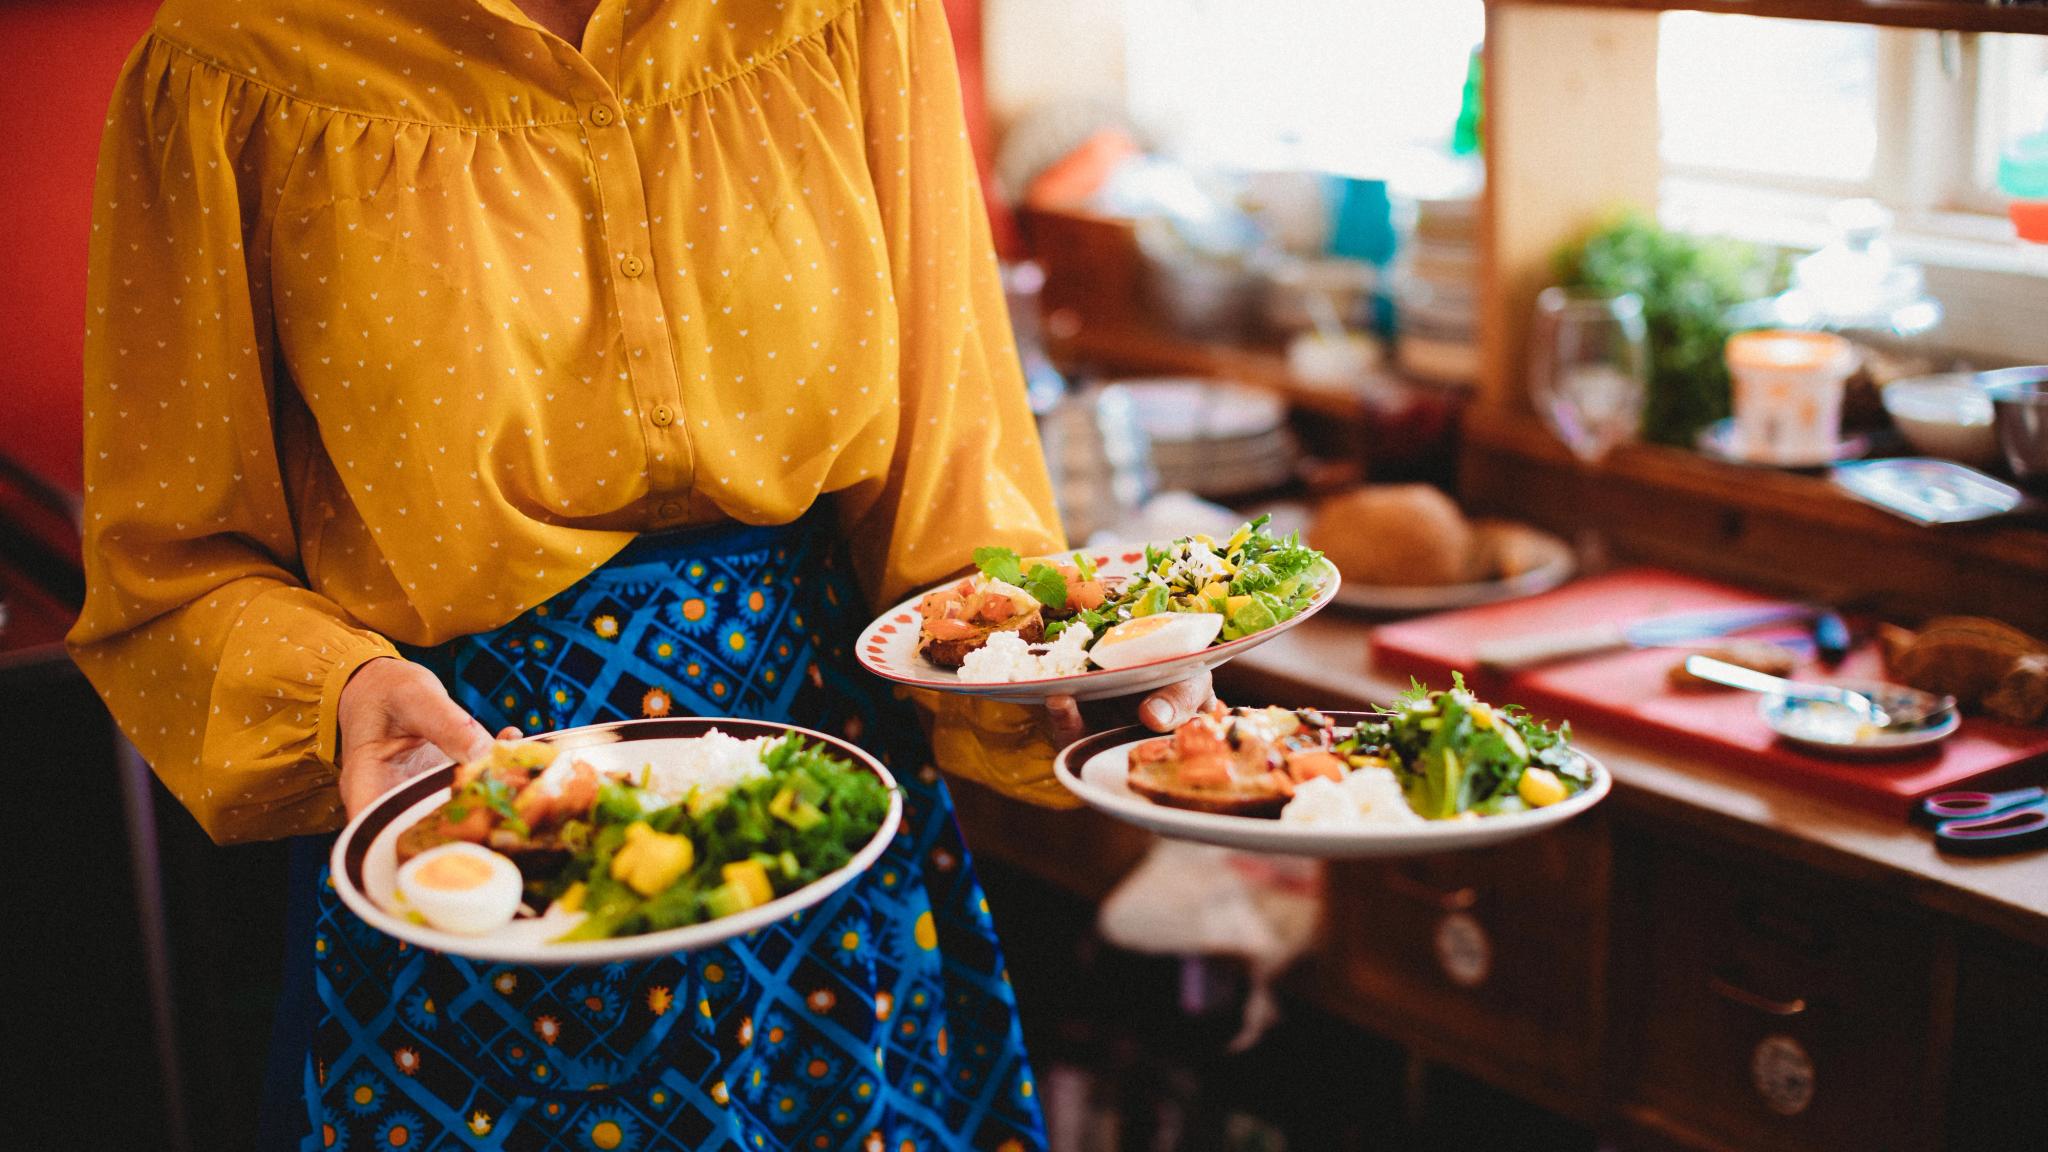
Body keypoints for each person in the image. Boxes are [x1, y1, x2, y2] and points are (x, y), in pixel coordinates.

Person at [67, 1, 1213, 1147]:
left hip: (825, 819)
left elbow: (948, 463)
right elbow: (170, 567)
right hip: (481, 829)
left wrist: (1058, 659)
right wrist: (341, 693)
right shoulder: (234, 62)